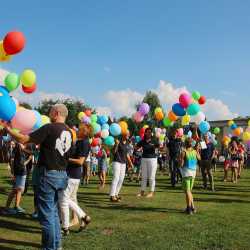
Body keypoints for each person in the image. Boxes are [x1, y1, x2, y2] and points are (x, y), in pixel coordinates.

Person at [1, 104, 73, 250]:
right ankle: (56, 246)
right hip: (62, 175)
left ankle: (50, 248)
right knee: (53, 214)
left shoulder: (49, 128)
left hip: (48, 174)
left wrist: (8, 129)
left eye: (51, 111)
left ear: (57, 112)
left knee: (47, 216)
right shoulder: (70, 132)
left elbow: (23, 139)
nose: (49, 112)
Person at [59, 123, 92, 236]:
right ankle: (83, 218)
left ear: (85, 132)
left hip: (73, 175)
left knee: (63, 200)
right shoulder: (78, 142)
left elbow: (80, 162)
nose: (77, 130)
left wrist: (66, 158)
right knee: (70, 200)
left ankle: (65, 227)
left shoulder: (84, 143)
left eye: (80, 129)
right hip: (71, 174)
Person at [4, 143, 32, 214]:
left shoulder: (20, 150)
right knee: (16, 190)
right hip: (20, 172)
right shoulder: (18, 149)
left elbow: (13, 161)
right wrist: (29, 159)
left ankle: (16, 206)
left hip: (20, 172)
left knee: (19, 190)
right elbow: (22, 164)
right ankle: (8, 208)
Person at [136, 127, 159, 198]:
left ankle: (151, 192)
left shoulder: (154, 140)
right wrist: (138, 149)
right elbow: (136, 147)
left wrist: (157, 147)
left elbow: (159, 147)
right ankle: (142, 192)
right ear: (145, 133)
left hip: (152, 160)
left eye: (150, 132)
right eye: (148, 132)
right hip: (144, 159)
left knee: (151, 177)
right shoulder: (142, 141)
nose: (149, 133)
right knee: (144, 177)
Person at [109, 134, 133, 202]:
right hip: (117, 161)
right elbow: (113, 152)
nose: (128, 135)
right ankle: (112, 195)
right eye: (127, 134)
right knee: (116, 178)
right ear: (123, 135)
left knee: (121, 179)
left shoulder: (127, 143)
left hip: (123, 163)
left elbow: (127, 154)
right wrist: (116, 144)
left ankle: (116, 194)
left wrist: (130, 163)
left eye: (129, 134)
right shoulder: (118, 141)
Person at [180, 138, 201, 215]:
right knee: (189, 191)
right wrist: (197, 150)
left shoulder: (183, 152)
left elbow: (181, 164)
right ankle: (192, 207)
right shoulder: (195, 151)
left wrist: (178, 162)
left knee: (187, 191)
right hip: (193, 172)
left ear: (185, 143)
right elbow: (199, 158)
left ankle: (189, 209)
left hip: (186, 172)